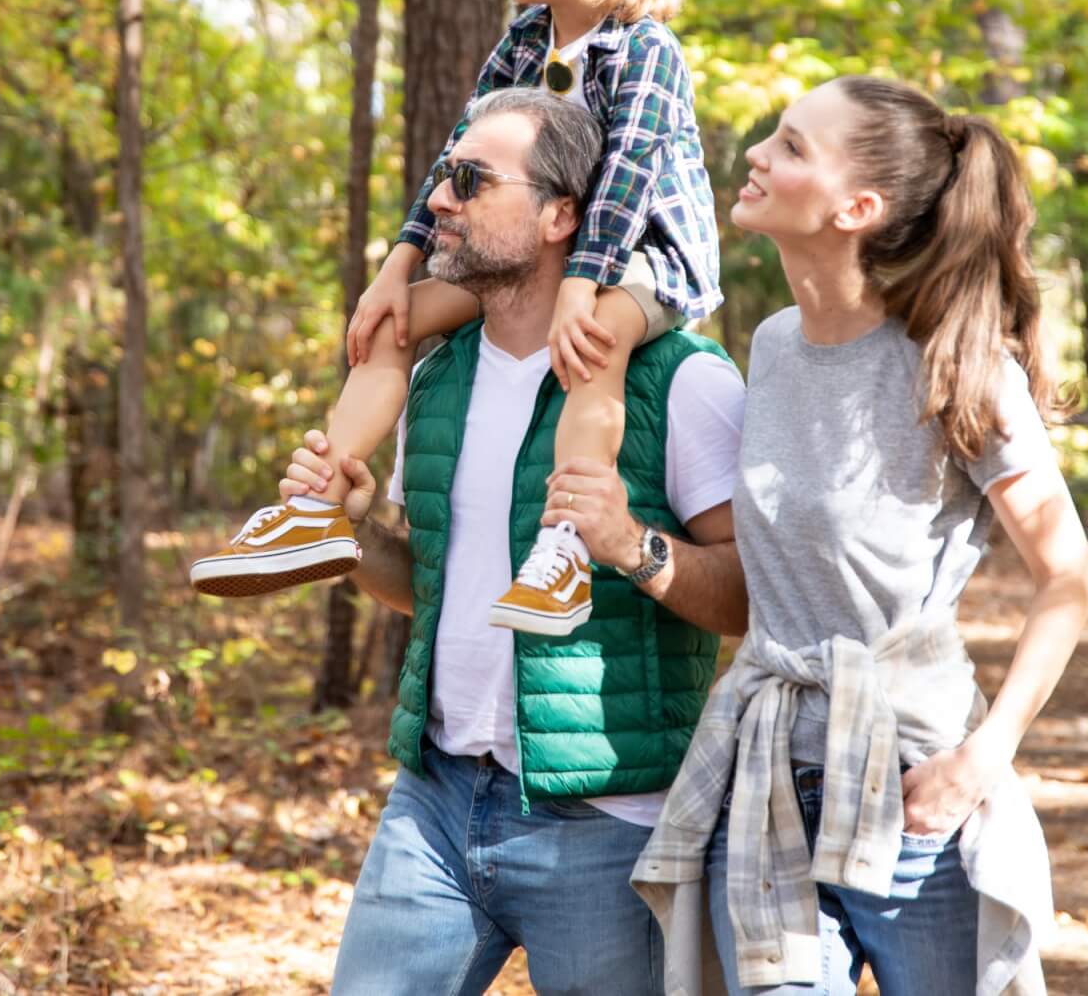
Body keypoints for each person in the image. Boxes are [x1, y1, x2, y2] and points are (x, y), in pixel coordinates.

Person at [633, 77, 1088, 996]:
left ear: (859, 208)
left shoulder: (958, 366)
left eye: (794, 146)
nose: (758, 155)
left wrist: (984, 757)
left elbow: (1068, 581)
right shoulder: (767, 346)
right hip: (764, 778)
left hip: (913, 785)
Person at [190, 0, 724, 637]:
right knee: (393, 324)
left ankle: (565, 547)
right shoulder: (523, 40)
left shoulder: (646, 51)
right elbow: (456, 157)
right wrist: (395, 268)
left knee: (593, 349)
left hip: (646, 256)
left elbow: (625, 183)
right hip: (541, 256)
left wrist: (580, 287)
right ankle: (314, 505)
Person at [278, 90, 749, 996]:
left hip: (611, 821)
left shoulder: (680, 381)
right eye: (440, 179)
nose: (438, 203)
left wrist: (630, 547)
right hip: (436, 799)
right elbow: (437, 585)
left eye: (468, 180)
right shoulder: (437, 375)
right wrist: (348, 529)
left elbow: (748, 599)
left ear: (559, 214)